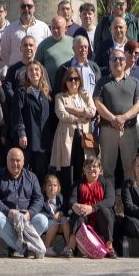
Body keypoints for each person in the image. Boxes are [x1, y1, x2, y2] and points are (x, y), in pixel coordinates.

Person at [93, 49, 139, 186]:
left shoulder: (134, 82)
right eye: (114, 59)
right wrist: (113, 119)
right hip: (108, 130)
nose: (118, 62)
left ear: (125, 61)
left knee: (131, 169)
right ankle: (110, 203)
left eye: (121, 59)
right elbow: (97, 103)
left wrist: (123, 118)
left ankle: (130, 203)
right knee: (107, 169)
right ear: (109, 63)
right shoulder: (102, 82)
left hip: (128, 130)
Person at [0, 148, 48, 257]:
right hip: (6, 220)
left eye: (18, 160)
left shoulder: (32, 177)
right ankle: (25, 249)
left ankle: (15, 246)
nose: (15, 163)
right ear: (7, 161)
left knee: (42, 220)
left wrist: (30, 213)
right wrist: (8, 212)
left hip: (25, 221)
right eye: (12, 160)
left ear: (23, 161)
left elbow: (39, 199)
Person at [50, 67, 96, 200]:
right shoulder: (60, 96)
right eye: (70, 79)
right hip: (67, 137)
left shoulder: (85, 95)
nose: (73, 82)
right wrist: (81, 116)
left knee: (83, 168)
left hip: (84, 136)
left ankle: (83, 198)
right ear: (65, 81)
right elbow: (62, 114)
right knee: (67, 171)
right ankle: (68, 202)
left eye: (76, 79)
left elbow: (92, 112)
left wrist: (74, 109)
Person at [67, 157, 117, 259]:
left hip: (100, 219)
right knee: (77, 214)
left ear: (100, 169)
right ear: (84, 169)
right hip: (85, 219)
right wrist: (75, 205)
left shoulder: (106, 183)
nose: (91, 169)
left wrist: (93, 208)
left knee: (105, 211)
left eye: (94, 166)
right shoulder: (78, 183)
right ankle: (70, 247)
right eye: (88, 167)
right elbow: (72, 199)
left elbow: (110, 200)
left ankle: (109, 247)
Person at [12, 61, 53, 184]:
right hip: (27, 139)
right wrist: (21, 133)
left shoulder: (47, 93)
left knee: (41, 172)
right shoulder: (21, 92)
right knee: (22, 172)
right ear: (27, 74)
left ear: (41, 73)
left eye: (37, 70)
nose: (34, 72)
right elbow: (17, 115)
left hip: (43, 141)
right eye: (30, 70)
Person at [0, 0, 50, 72]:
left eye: (29, 6)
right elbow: (4, 52)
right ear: (20, 9)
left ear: (34, 9)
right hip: (17, 73)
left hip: (37, 72)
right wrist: (13, 66)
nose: (26, 9)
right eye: (23, 6)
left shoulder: (43, 27)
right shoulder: (10, 29)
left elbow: (48, 50)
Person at [34, 15, 74, 90]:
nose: (55, 30)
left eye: (58, 28)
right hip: (51, 89)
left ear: (65, 28)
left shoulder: (73, 43)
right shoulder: (43, 45)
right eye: (53, 28)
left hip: (72, 87)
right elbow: (37, 66)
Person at [41, 173, 72, 257]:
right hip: (49, 223)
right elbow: (41, 213)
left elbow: (65, 208)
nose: (52, 188)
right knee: (55, 225)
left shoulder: (60, 198)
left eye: (55, 185)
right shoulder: (42, 199)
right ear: (45, 187)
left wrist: (61, 213)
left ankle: (69, 247)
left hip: (60, 224)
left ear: (58, 187)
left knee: (65, 221)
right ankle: (46, 247)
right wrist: (52, 217)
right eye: (49, 185)